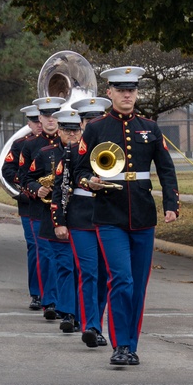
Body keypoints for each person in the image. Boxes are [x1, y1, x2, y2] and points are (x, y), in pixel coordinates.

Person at [75, 66, 179, 366]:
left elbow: (166, 169)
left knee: (138, 284)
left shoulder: (150, 127)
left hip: (143, 216)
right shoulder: (95, 128)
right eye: (120, 89)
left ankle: (131, 344)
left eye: (131, 89)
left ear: (136, 93)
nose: (126, 94)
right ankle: (120, 345)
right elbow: (81, 169)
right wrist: (88, 182)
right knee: (121, 280)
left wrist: (171, 204)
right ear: (109, 93)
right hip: (109, 214)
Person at [50, 102, 110, 341]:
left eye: (97, 119)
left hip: (110, 217)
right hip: (81, 218)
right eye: (88, 120)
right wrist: (59, 221)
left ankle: (98, 322)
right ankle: (91, 326)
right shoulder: (71, 153)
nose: (91, 124)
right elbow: (60, 190)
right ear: (83, 123)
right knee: (88, 272)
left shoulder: (114, 149)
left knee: (105, 276)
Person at [25, 106, 76, 330]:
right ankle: (64, 311)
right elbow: (27, 178)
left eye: (75, 131)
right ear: (60, 132)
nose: (71, 135)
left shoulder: (88, 153)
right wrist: (38, 189)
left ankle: (76, 311)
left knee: (80, 267)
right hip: (53, 216)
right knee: (62, 264)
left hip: (83, 217)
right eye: (67, 130)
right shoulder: (45, 152)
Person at [16, 96, 65, 320]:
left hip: (66, 210)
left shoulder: (71, 140)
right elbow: (23, 177)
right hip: (39, 210)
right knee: (46, 255)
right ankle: (49, 301)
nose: (51, 119)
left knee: (65, 258)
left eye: (55, 115)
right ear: (40, 118)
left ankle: (65, 302)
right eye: (46, 116)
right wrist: (37, 189)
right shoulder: (29, 145)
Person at [1, 105, 43, 311]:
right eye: (35, 121)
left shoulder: (61, 142)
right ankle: (36, 293)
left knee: (55, 250)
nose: (40, 124)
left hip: (55, 204)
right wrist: (27, 183)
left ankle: (54, 293)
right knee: (35, 248)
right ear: (29, 124)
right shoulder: (20, 145)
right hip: (30, 204)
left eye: (42, 120)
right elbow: (7, 169)